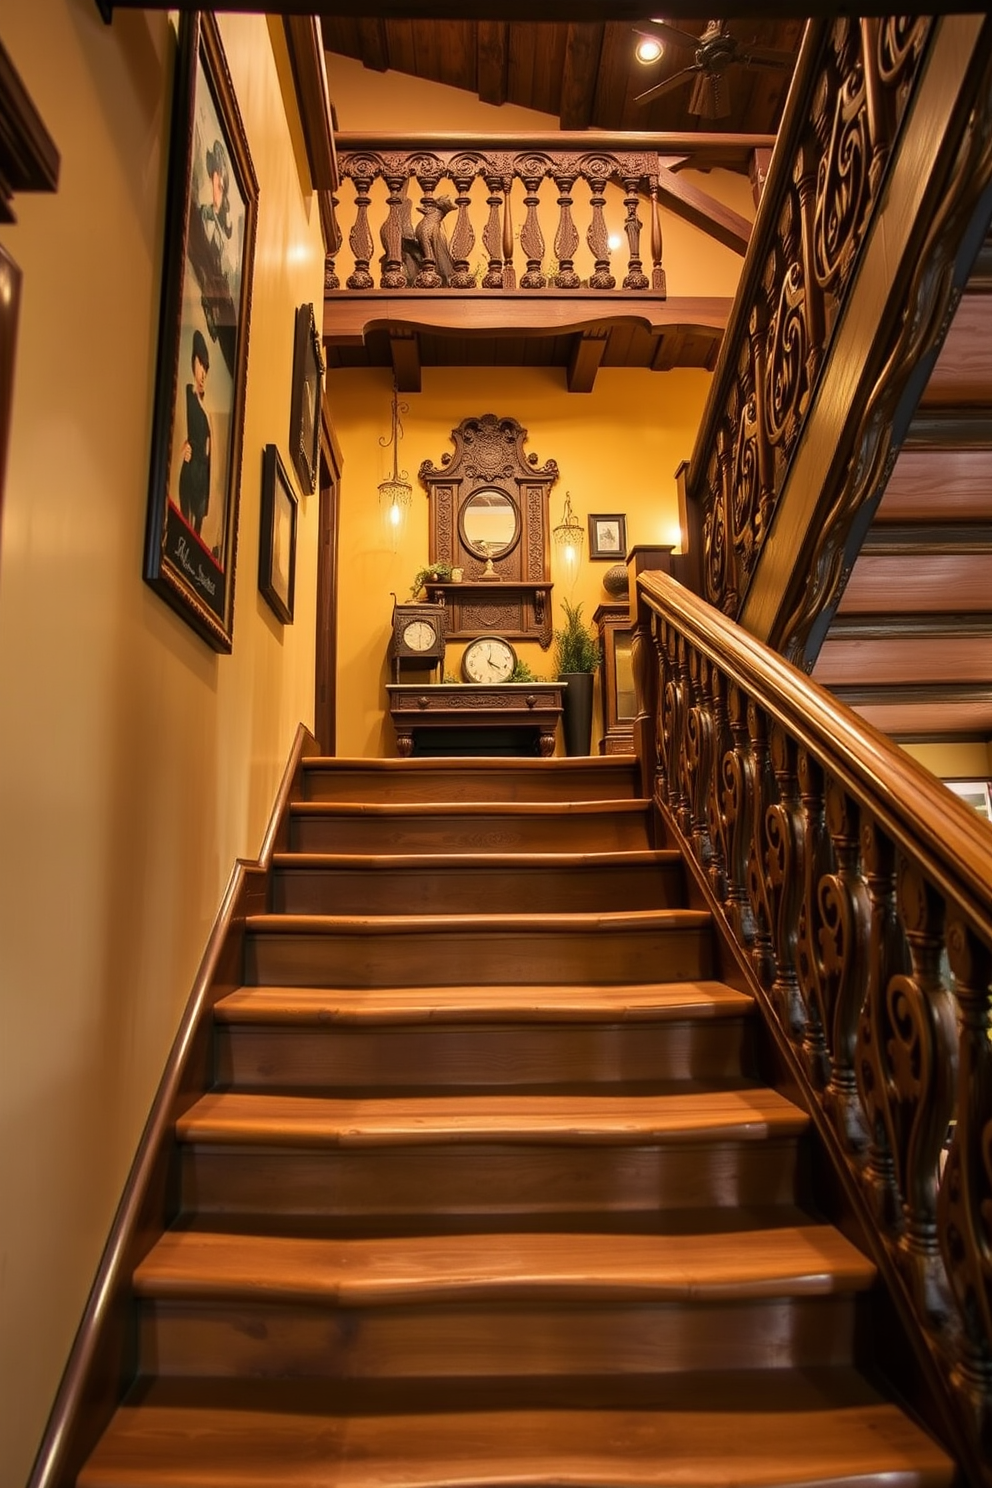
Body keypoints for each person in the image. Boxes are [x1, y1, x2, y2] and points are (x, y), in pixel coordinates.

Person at [178, 330, 211, 536]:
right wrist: (184, 448)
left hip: (202, 474)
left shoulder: (204, 406)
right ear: (194, 363)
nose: (203, 373)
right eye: (201, 365)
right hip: (191, 470)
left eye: (206, 368)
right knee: (184, 524)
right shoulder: (188, 395)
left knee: (195, 531)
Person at [201, 139, 233, 272]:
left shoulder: (219, 230)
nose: (215, 192)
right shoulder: (204, 214)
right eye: (215, 184)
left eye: (220, 188)